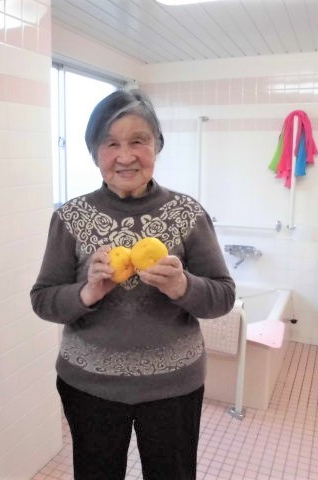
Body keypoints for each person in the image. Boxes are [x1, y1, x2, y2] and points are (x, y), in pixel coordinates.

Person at [30, 89, 236, 480]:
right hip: (89, 387)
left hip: (173, 388)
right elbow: (43, 300)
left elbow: (223, 296)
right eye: (111, 144)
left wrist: (182, 286)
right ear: (95, 153)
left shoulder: (188, 213)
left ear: (157, 145)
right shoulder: (70, 217)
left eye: (138, 141)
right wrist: (87, 292)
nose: (125, 156)